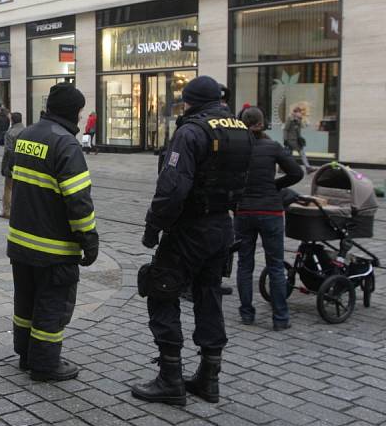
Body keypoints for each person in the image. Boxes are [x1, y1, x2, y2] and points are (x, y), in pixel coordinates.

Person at [132, 76, 253, 405]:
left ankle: (170, 377)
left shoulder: (191, 131)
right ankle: (209, 378)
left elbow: (173, 188)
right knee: (208, 294)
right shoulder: (240, 129)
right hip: (222, 227)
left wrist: (153, 226)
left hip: (189, 229)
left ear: (190, 100)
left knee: (162, 291)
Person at [8, 83, 99, 382]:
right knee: (51, 303)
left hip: (21, 242)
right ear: (74, 112)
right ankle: (45, 364)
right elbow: (78, 200)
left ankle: (25, 354)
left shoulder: (27, 135)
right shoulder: (66, 144)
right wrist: (89, 238)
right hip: (54, 248)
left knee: (26, 302)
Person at [235, 107, 303, 330]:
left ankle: (246, 313)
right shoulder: (272, 147)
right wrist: (275, 186)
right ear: (262, 123)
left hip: (243, 211)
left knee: (245, 264)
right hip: (270, 211)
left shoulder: (236, 148)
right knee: (275, 266)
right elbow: (296, 173)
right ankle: (280, 318)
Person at [0, 112, 25, 219]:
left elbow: (8, 151)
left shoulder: (10, 133)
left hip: (12, 163)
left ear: (12, 120)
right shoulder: (26, 131)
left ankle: (7, 211)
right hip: (24, 163)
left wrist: (5, 167)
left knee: (8, 188)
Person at [283, 105, 315, 173]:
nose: (300, 113)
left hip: (296, 140)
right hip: (291, 140)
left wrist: (303, 121)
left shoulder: (298, 119)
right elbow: (285, 129)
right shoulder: (290, 119)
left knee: (287, 155)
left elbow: (301, 128)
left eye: (300, 112)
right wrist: (285, 139)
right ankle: (308, 167)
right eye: (299, 112)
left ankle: (282, 168)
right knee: (301, 153)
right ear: (295, 112)